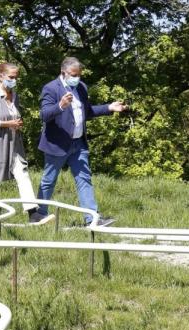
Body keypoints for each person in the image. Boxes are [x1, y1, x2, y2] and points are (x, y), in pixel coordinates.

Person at [34, 57, 128, 227]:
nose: (77, 78)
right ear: (64, 73)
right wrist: (60, 105)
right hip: (57, 144)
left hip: (78, 144)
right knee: (49, 180)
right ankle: (39, 215)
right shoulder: (51, 88)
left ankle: (92, 219)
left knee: (84, 179)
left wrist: (109, 108)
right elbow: (44, 115)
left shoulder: (81, 87)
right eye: (74, 75)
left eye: (79, 75)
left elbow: (88, 112)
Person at [0, 62, 49, 224]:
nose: (14, 80)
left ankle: (33, 214)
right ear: (1, 77)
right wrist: (7, 124)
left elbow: (14, 116)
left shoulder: (15, 95)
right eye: (11, 77)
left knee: (23, 174)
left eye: (16, 77)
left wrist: (17, 123)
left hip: (13, 145)